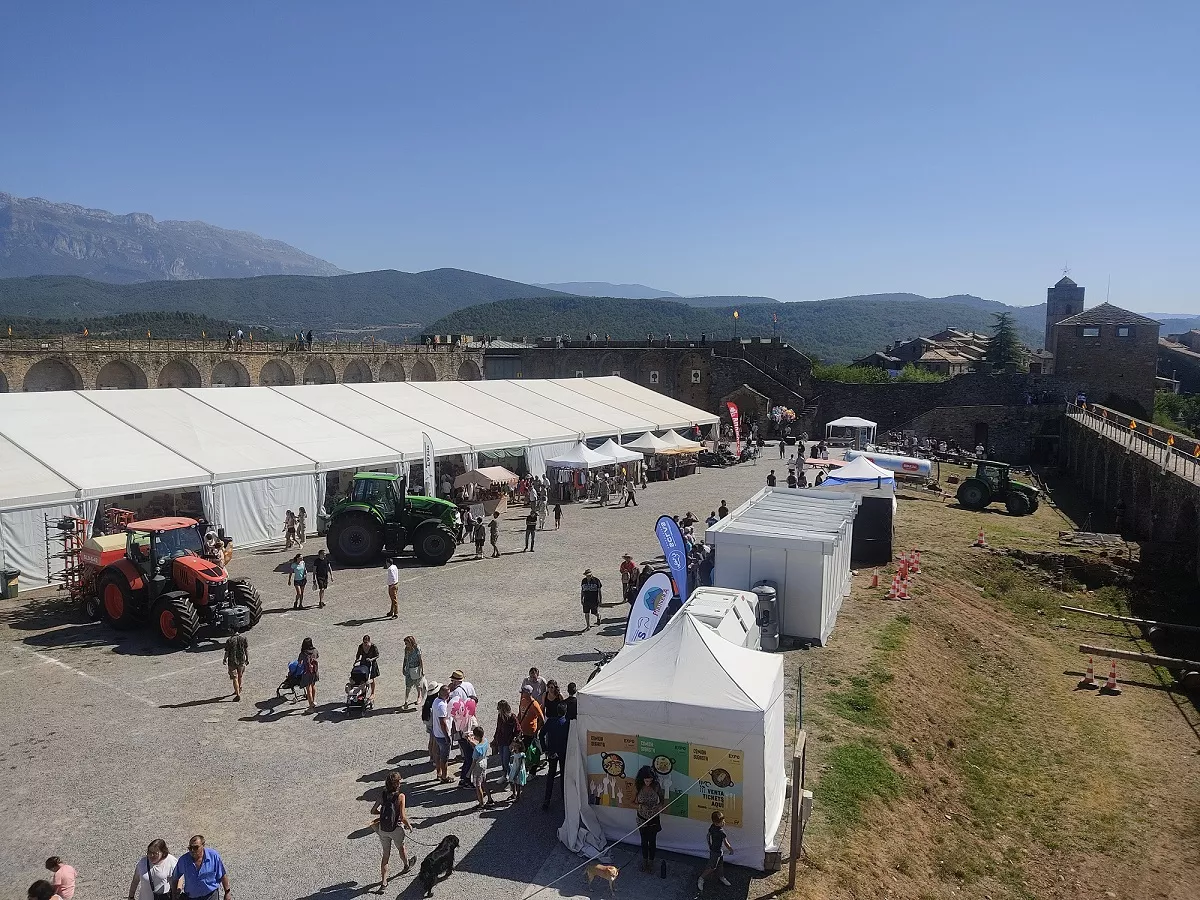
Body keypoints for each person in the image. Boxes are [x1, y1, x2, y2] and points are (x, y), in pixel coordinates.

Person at [371, 770, 412, 890]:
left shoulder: (382, 795)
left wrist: (382, 815)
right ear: (396, 784)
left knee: (385, 855)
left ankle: (383, 882)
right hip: (396, 828)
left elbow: (373, 810)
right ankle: (406, 865)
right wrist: (409, 826)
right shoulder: (400, 796)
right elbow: (403, 817)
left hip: (383, 829)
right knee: (401, 848)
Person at [170, 835, 231, 900]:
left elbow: (222, 875)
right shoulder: (183, 860)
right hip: (192, 897)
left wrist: (227, 893)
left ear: (203, 845)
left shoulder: (213, 856)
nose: (192, 850)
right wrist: (174, 895)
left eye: (196, 847)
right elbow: (175, 877)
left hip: (211, 895)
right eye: (190, 848)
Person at [635, 768, 666, 873]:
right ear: (642, 779)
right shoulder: (638, 786)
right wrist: (640, 805)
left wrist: (660, 806)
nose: (648, 783)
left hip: (653, 817)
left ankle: (651, 863)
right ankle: (644, 862)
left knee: (652, 841)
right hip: (641, 817)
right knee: (644, 841)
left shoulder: (656, 786)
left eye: (650, 781)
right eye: (646, 781)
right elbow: (630, 802)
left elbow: (662, 799)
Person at [541, 698, 569, 810]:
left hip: (552, 752)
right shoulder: (566, 723)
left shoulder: (551, 721)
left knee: (551, 776)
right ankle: (563, 797)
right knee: (563, 775)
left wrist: (545, 748)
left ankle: (547, 799)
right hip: (562, 752)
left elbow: (541, 734)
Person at [697, 811, 734, 889]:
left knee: (720, 865)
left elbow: (708, 835)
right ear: (716, 823)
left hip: (717, 851)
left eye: (723, 821)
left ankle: (721, 877)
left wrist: (709, 845)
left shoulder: (712, 827)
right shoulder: (722, 832)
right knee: (712, 867)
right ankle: (701, 878)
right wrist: (731, 850)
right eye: (721, 822)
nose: (724, 823)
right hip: (716, 852)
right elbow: (726, 843)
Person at [492, 699, 519, 792]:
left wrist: (513, 741)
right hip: (501, 741)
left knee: (506, 761)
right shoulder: (500, 716)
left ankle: (512, 779)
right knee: (503, 760)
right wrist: (495, 739)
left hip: (508, 742)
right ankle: (505, 775)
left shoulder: (512, 717)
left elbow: (518, 730)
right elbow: (498, 728)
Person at [430, 683, 453, 783]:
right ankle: (444, 777)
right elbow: (443, 723)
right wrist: (447, 736)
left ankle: (439, 773)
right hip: (442, 735)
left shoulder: (436, 701)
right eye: (448, 694)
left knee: (438, 754)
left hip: (437, 733)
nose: (449, 695)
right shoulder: (442, 706)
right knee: (444, 757)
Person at [470, 725, 493, 808]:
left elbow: (474, 761)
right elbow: (479, 746)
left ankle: (481, 803)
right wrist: (471, 742)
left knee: (478, 785)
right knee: (484, 781)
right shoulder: (485, 741)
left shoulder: (477, 748)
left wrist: (469, 773)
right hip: (484, 762)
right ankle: (490, 799)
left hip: (478, 765)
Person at [222, 628, 248, 702]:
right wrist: (247, 658)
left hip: (232, 661)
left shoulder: (229, 640)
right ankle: (239, 688)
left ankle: (237, 694)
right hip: (241, 660)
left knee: (234, 678)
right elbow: (246, 650)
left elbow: (227, 652)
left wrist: (224, 659)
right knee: (240, 675)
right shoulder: (243, 639)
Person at [355, 634, 381, 701]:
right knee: (363, 678)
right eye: (364, 642)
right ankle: (363, 693)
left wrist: (371, 659)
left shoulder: (373, 646)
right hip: (364, 663)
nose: (365, 644)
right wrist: (356, 660)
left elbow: (377, 655)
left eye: (366, 642)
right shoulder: (361, 646)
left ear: (369, 641)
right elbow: (358, 655)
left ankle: (372, 693)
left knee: (372, 678)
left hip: (372, 663)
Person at [402, 635, 424, 709]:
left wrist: (421, 669)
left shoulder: (417, 648)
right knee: (408, 685)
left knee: (417, 683)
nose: (406, 645)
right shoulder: (406, 649)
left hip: (416, 668)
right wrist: (403, 667)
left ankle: (419, 696)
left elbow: (420, 659)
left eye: (406, 643)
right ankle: (406, 700)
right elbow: (405, 659)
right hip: (409, 669)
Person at [298, 637, 319, 711]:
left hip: (307, 672)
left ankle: (311, 706)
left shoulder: (303, 653)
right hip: (314, 671)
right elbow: (317, 656)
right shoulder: (315, 650)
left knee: (308, 688)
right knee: (313, 685)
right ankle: (313, 701)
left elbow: (299, 663)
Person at [507, 734, 528, 801]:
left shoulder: (521, 755)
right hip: (514, 768)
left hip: (518, 771)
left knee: (518, 784)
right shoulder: (515, 752)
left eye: (515, 746)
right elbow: (510, 749)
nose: (514, 747)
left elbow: (519, 766)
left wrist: (516, 774)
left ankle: (518, 796)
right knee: (511, 781)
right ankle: (514, 793)